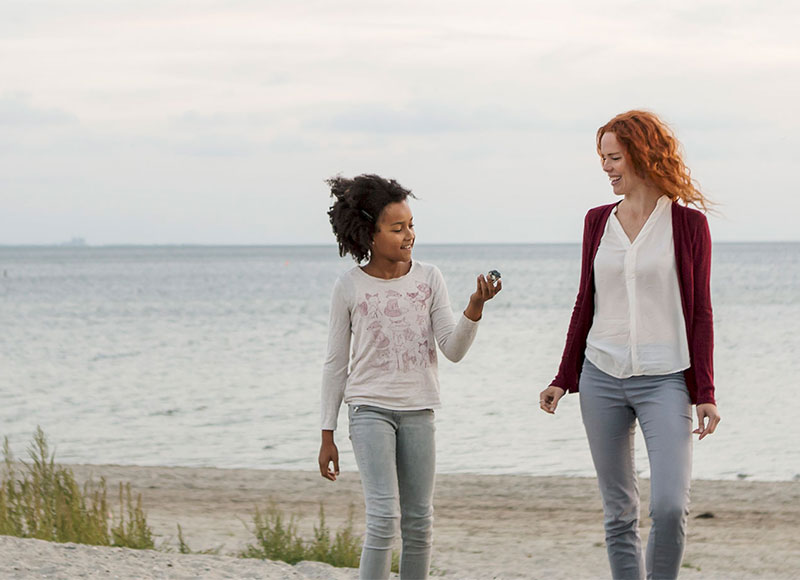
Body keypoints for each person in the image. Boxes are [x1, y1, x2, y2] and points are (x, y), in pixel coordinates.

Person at [539, 110, 721, 580]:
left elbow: (700, 313)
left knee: (668, 507)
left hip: (665, 381)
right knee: (619, 512)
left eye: (614, 157)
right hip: (601, 377)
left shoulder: (688, 226)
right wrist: (565, 377)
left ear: (642, 155)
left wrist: (705, 392)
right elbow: (586, 301)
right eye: (602, 158)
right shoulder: (597, 222)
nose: (606, 167)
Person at [318, 174, 501, 580]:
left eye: (411, 225)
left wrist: (474, 309)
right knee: (383, 518)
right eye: (397, 228)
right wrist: (327, 432)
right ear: (369, 233)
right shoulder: (348, 287)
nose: (409, 236)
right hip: (369, 411)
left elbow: (452, 349)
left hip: (420, 410)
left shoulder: (429, 278)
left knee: (419, 523)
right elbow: (335, 363)